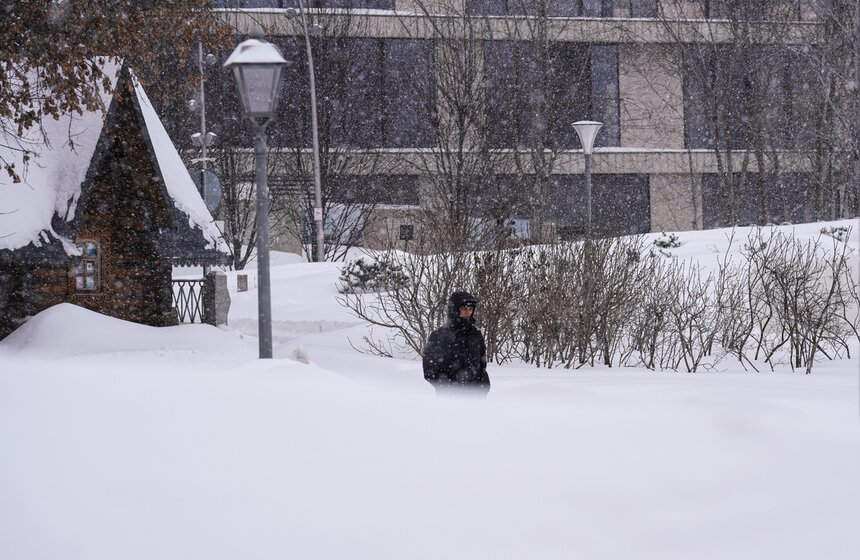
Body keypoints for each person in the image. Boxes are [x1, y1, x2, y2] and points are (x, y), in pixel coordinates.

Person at [422, 291, 490, 395]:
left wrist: (483, 386)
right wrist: (450, 389)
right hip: (449, 398)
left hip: (475, 398)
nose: (467, 312)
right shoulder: (439, 336)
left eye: (470, 309)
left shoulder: (476, 335)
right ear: (454, 309)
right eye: (463, 309)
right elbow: (430, 371)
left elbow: (481, 366)